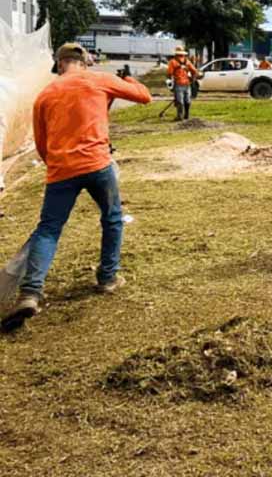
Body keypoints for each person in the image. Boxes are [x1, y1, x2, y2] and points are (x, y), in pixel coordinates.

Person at [2, 43, 152, 330]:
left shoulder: (45, 95)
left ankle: (31, 293)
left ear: (60, 65)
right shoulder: (98, 80)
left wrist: (58, 163)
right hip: (98, 165)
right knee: (112, 218)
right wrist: (129, 79)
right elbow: (144, 97)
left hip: (60, 172)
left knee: (48, 230)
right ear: (84, 62)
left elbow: (42, 145)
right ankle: (108, 278)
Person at [166, 47, 199, 121]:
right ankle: (186, 115)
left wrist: (169, 83)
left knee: (179, 101)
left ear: (176, 53)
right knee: (187, 100)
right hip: (187, 84)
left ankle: (180, 116)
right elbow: (194, 71)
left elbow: (169, 73)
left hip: (178, 84)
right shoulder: (187, 61)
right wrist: (192, 79)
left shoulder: (172, 62)